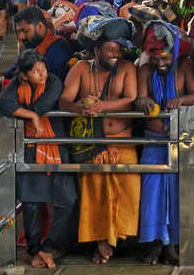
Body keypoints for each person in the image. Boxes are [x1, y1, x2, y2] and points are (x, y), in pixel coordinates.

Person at [58, 17, 140, 264]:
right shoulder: (81, 68)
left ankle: (119, 241)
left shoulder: (127, 68)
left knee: (128, 192)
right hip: (92, 144)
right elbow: (64, 100)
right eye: (110, 50)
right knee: (94, 195)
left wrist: (102, 106)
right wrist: (79, 108)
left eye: (118, 50)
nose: (116, 54)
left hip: (122, 143)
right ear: (97, 50)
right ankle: (101, 243)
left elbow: (131, 98)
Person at [0, 50, 77, 269]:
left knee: (67, 199)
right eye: (35, 71)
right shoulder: (17, 84)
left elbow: (44, 105)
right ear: (23, 75)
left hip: (57, 146)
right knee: (30, 203)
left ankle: (49, 247)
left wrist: (23, 111)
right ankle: (34, 249)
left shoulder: (54, 81)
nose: (42, 74)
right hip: (31, 146)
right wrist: (31, 116)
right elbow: (3, 103)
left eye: (43, 69)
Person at [135, 19, 194, 265]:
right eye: (155, 59)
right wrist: (143, 102)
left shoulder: (184, 66)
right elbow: (140, 97)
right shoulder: (144, 70)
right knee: (151, 192)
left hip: (179, 141)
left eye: (164, 58)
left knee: (175, 191)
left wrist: (181, 100)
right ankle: (153, 245)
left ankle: (171, 245)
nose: (160, 64)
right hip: (154, 141)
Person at [13, 6, 72, 81]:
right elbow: (12, 72)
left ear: (40, 26)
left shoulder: (57, 51)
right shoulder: (33, 44)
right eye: (18, 32)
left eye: (25, 31)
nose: (20, 37)